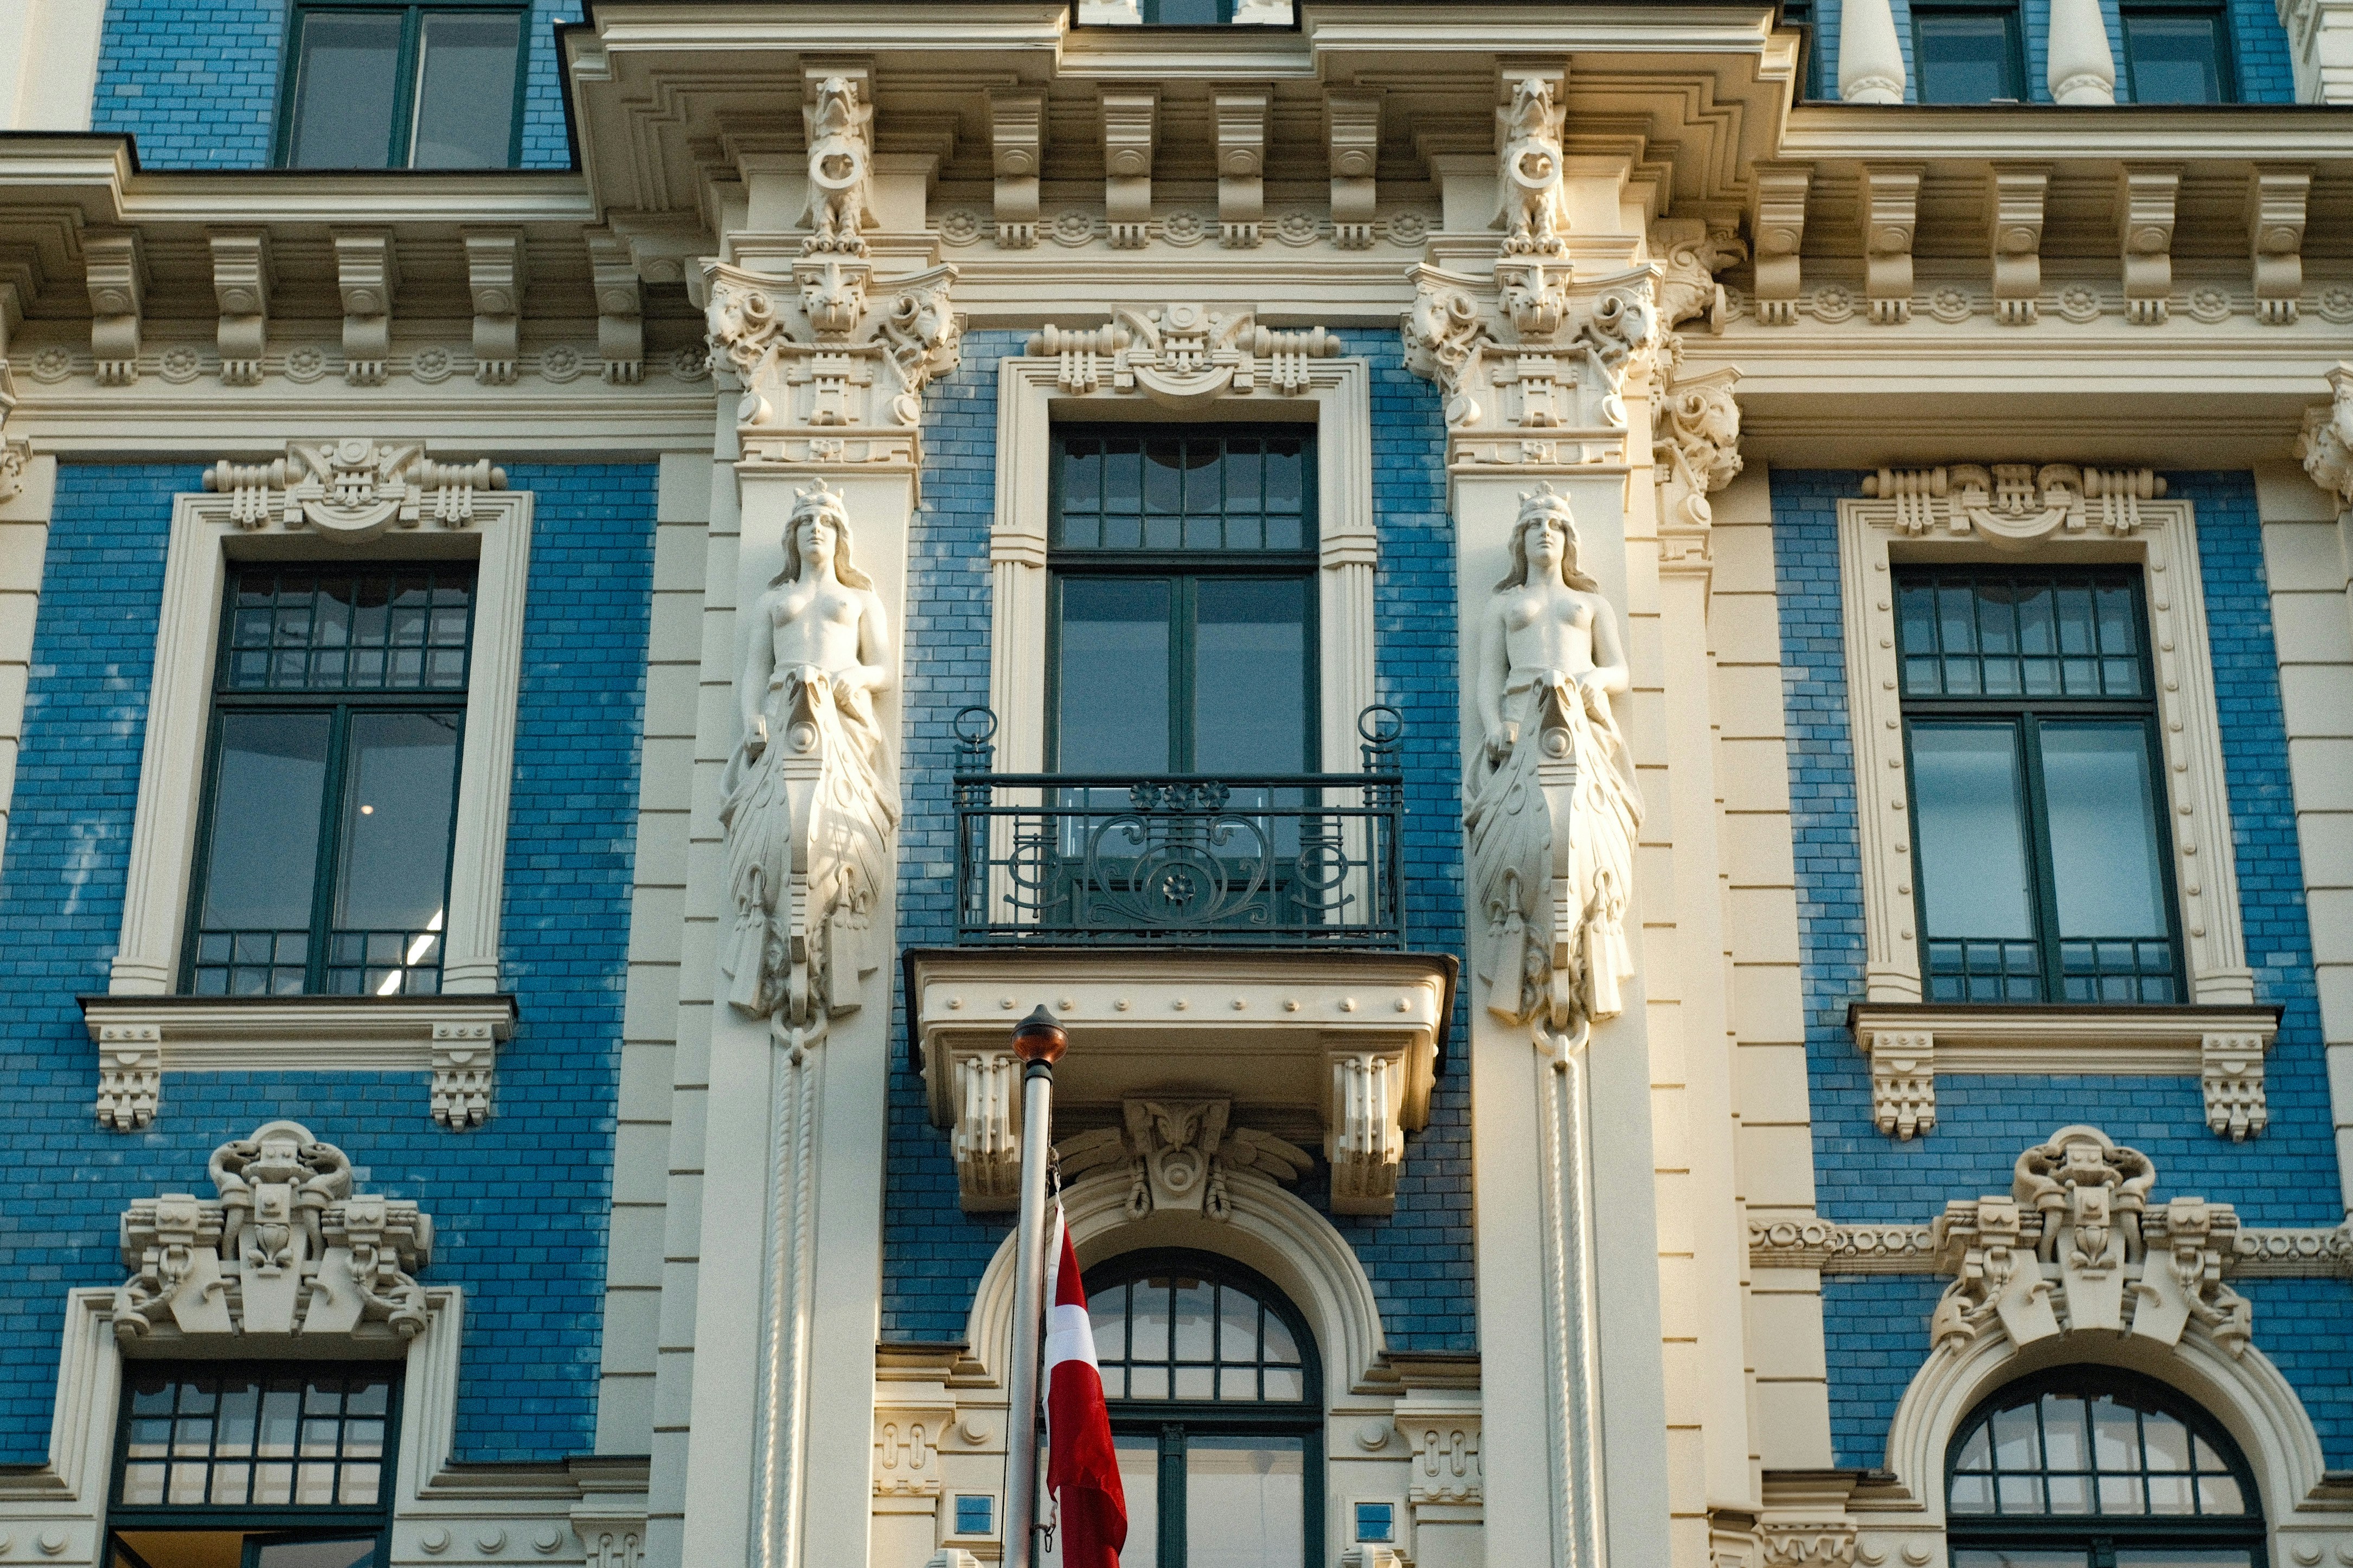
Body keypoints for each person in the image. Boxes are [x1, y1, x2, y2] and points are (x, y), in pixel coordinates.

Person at [719, 480, 899, 1023]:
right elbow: (755, 668)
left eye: (825, 524)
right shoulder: (773, 600)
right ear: (791, 537)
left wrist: (859, 680)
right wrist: (752, 717)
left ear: (840, 537)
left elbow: (885, 667)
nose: (815, 531)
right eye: (805, 523)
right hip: (782, 717)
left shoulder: (859, 599)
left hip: (839, 718)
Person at [1464, 485, 1644, 1027]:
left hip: (1576, 717)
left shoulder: (1590, 604)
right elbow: (1488, 678)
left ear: (1570, 541)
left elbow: (1620, 670)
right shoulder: (1503, 605)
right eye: (1534, 525)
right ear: (1519, 541)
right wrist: (1495, 724)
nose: (1545, 532)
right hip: (1520, 724)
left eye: (1555, 525)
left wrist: (1593, 681)